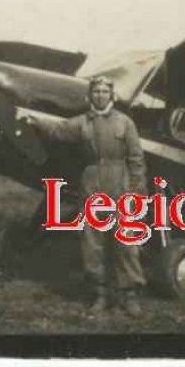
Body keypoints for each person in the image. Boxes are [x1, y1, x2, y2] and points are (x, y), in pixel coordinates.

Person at [29, 75, 147, 317]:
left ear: (112, 95)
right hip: (92, 181)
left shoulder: (125, 122)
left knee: (126, 240)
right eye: (96, 91)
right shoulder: (81, 123)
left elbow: (136, 159)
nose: (100, 95)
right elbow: (57, 130)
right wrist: (34, 121)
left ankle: (130, 295)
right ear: (89, 96)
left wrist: (136, 191)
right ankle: (99, 294)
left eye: (105, 91)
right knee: (93, 242)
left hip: (120, 181)